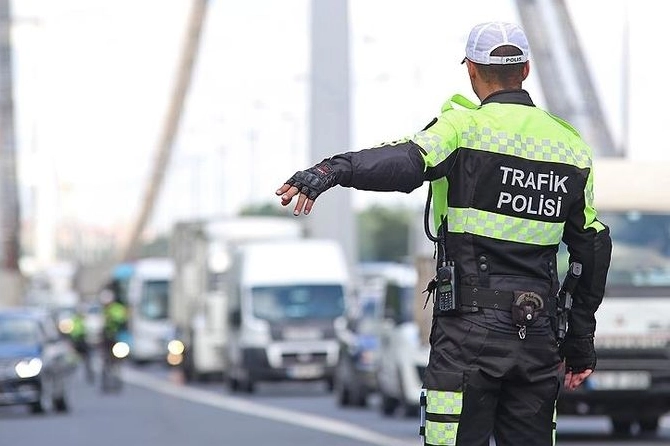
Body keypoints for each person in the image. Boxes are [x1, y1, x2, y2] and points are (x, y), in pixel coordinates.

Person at [275, 21, 612, 446]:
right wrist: (579, 341)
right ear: (526, 70)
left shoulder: (462, 128)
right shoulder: (570, 147)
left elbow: (404, 163)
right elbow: (593, 247)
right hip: (538, 336)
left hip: (468, 335)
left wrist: (333, 170)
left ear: (471, 69)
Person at [69, 306, 94, 384]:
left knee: (87, 358)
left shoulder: (85, 320)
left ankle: (89, 373)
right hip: (78, 342)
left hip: (84, 341)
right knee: (76, 359)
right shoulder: (75, 321)